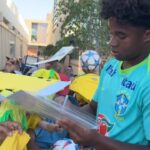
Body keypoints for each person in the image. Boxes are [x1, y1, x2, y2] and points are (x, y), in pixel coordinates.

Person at [58, 0, 150, 149]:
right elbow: (94, 109)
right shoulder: (110, 67)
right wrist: (69, 112)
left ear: (147, 35)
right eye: (111, 33)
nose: (112, 42)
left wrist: (96, 140)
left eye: (121, 36)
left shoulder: (147, 80)